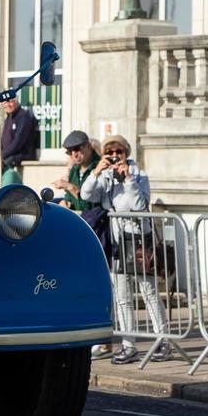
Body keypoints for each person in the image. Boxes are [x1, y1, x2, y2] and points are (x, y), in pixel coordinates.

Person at [84, 135, 169, 364]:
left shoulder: (139, 175)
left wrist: (128, 179)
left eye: (118, 152)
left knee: (149, 292)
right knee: (121, 297)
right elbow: (86, 195)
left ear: (126, 153)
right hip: (116, 243)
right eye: (109, 153)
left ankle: (164, 340)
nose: (114, 156)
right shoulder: (105, 176)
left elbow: (139, 205)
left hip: (139, 241)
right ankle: (128, 345)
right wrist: (96, 173)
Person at [51, 130, 100, 211]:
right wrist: (65, 202)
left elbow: (88, 207)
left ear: (89, 146)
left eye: (77, 149)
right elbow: (69, 197)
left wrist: (70, 187)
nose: (74, 155)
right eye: (69, 152)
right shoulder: (75, 169)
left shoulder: (99, 168)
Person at [0, 95, 40, 185]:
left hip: (22, 155)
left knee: (5, 166)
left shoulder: (23, 116)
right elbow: (3, 140)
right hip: (9, 156)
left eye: (11, 101)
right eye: (5, 102)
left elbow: (18, 141)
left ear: (17, 102)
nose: (8, 105)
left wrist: (3, 155)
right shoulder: (9, 117)